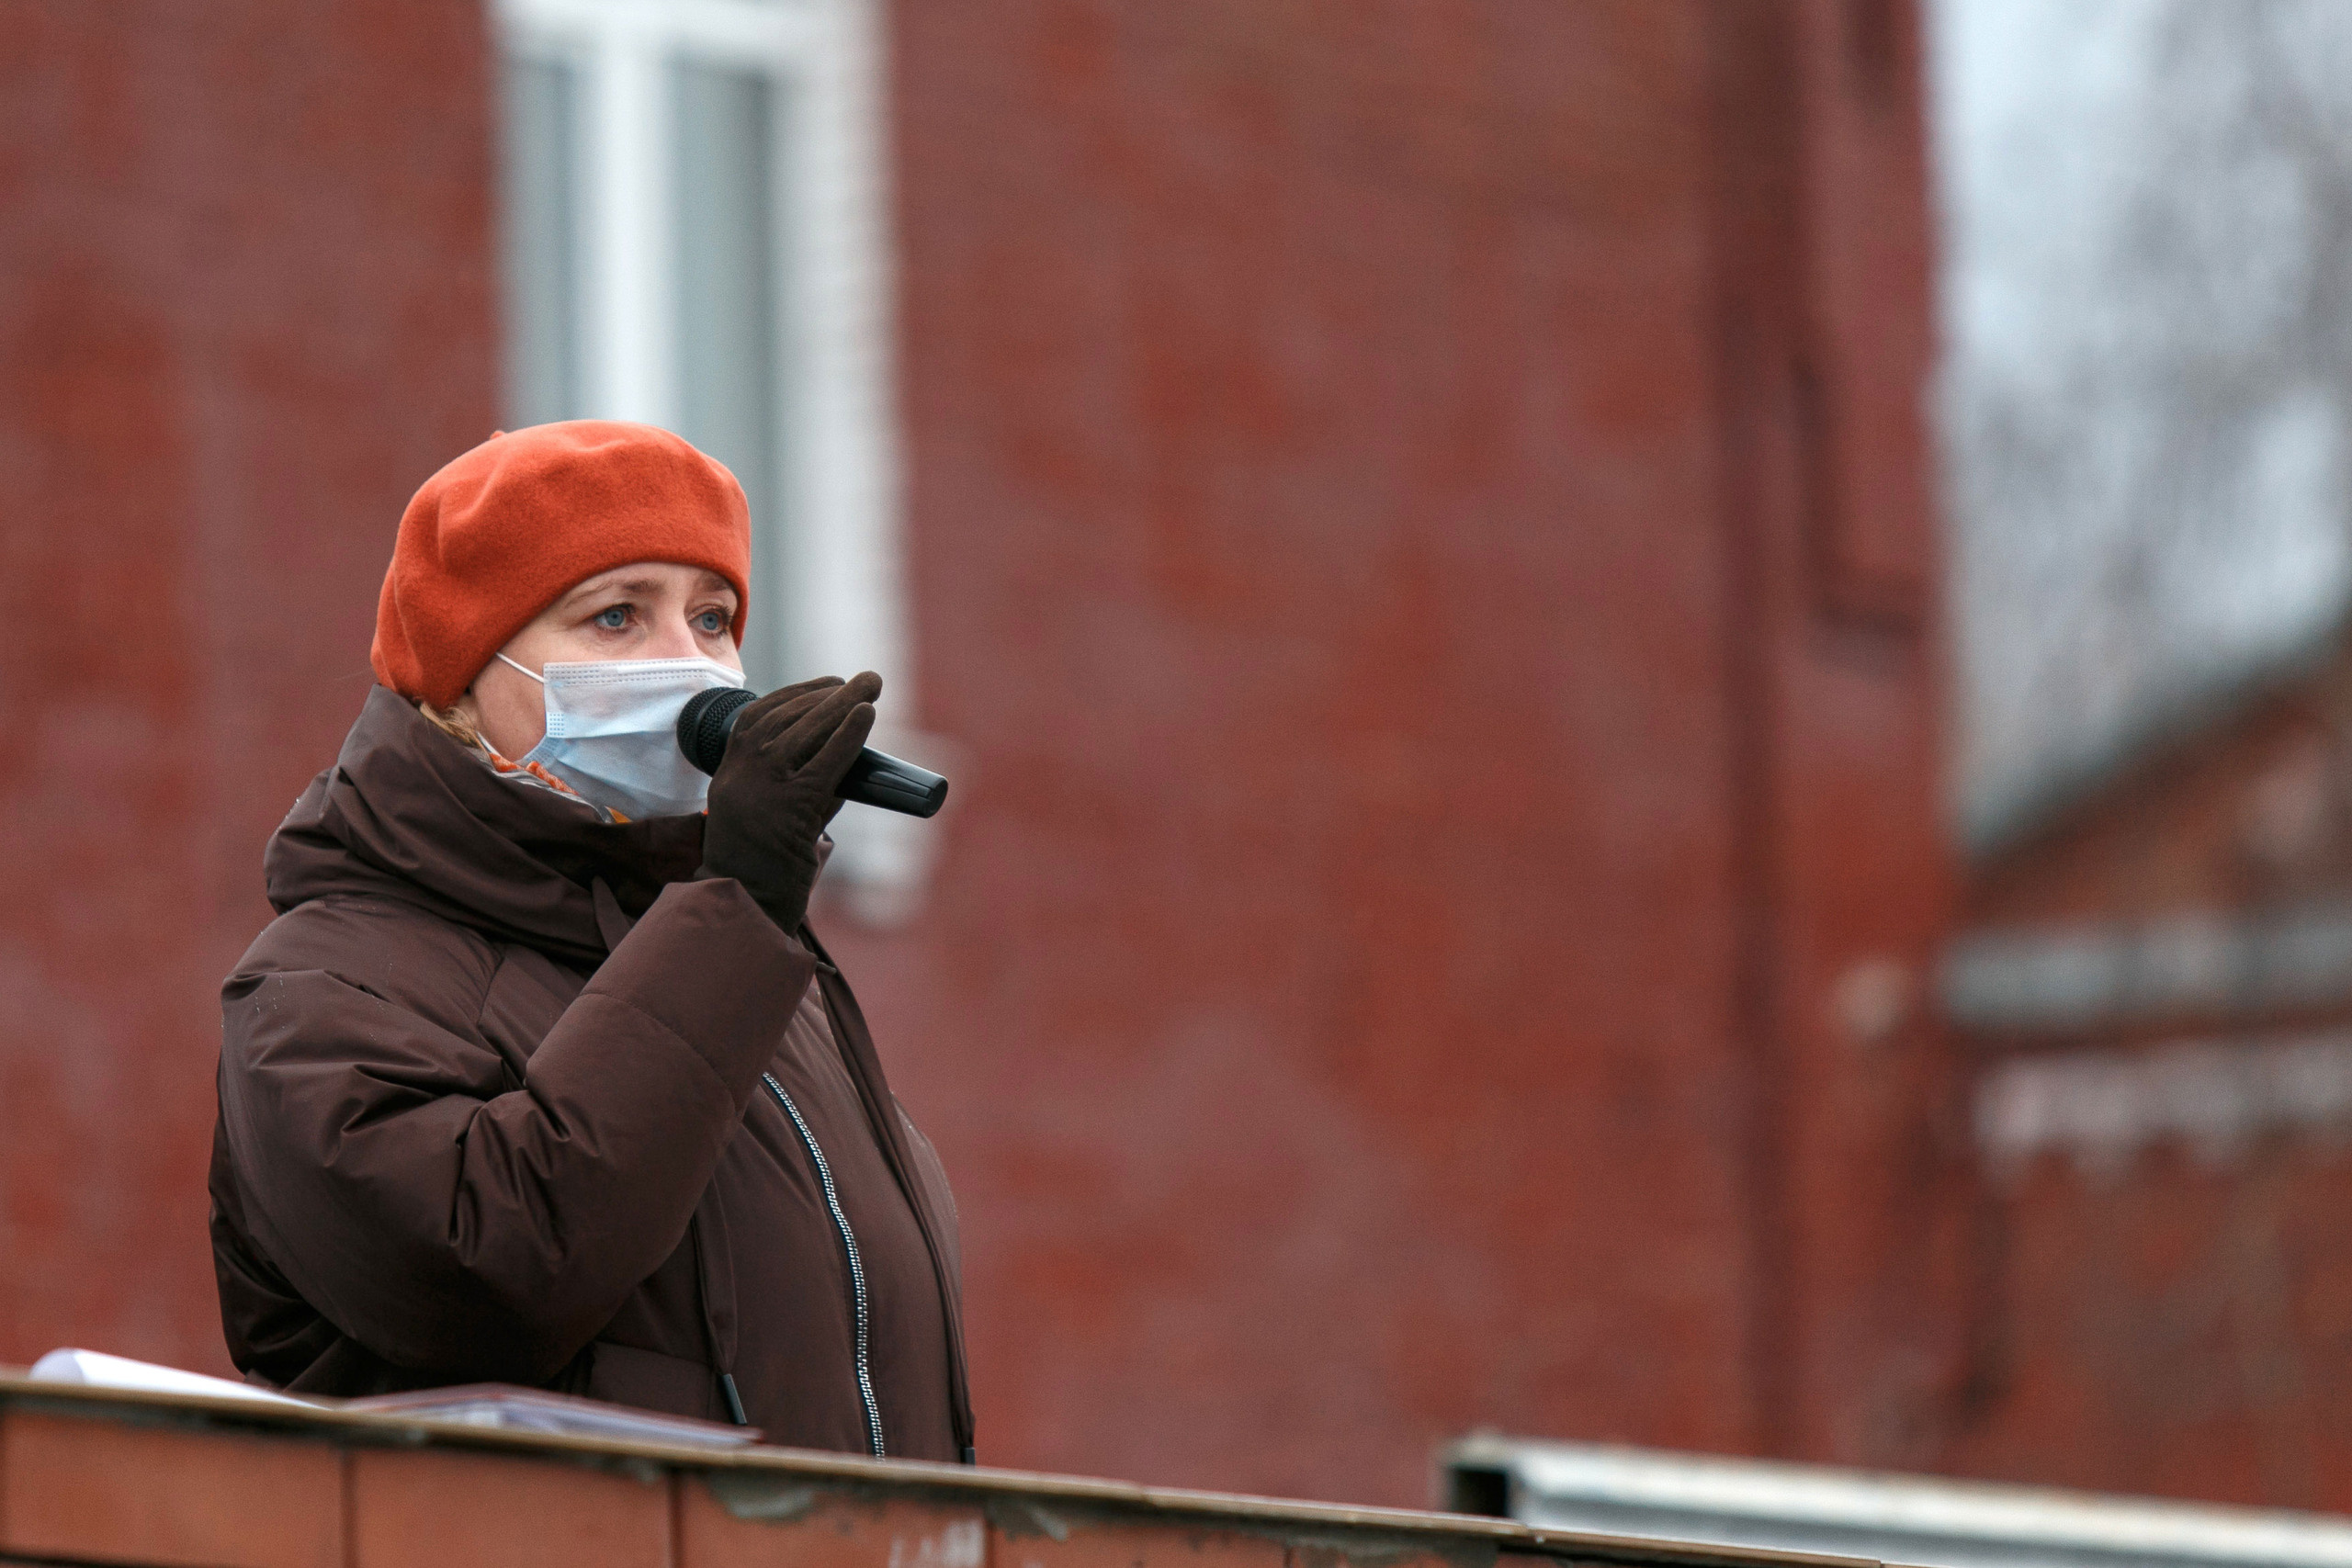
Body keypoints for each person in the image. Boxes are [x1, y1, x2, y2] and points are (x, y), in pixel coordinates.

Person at [208, 421, 972, 1462]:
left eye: (712, 619)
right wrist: (740, 902)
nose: (692, 668)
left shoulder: (748, 967)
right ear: (463, 679)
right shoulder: (324, 985)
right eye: (614, 617)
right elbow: (492, 1275)